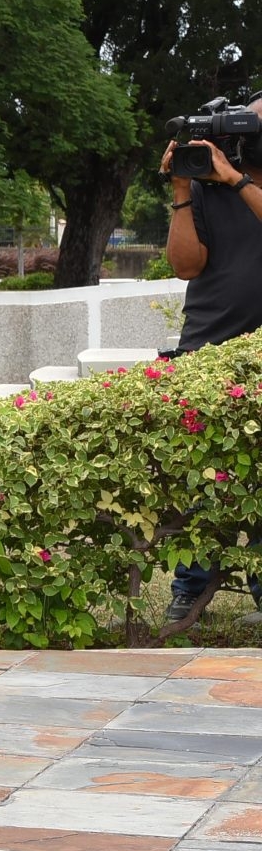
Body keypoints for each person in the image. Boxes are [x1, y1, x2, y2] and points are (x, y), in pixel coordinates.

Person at [160, 113, 262, 626]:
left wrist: (238, 182)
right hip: (208, 351)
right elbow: (185, 266)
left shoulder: (232, 181)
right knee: (200, 486)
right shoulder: (205, 185)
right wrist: (183, 188)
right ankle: (190, 587)